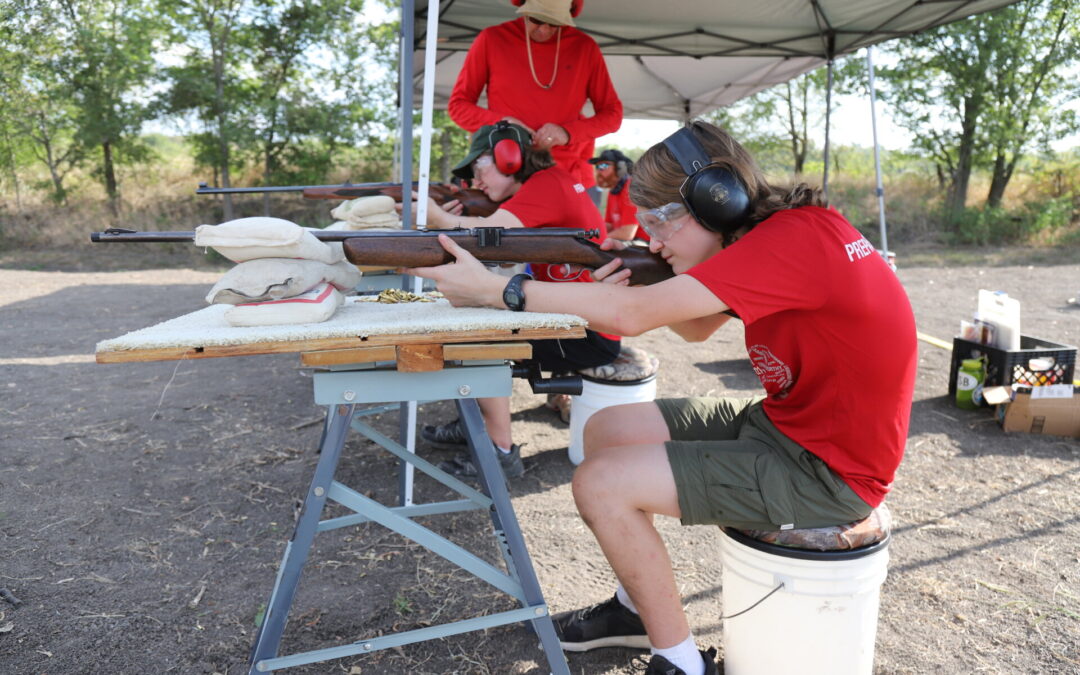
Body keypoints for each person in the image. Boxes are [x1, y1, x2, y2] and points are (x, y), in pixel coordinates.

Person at [404, 121, 918, 675]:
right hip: (786, 425)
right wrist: (641, 273)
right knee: (606, 432)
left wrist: (502, 291)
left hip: (830, 471)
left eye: (661, 222)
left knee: (600, 485)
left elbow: (633, 318)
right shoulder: (786, 234)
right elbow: (696, 330)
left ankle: (680, 663)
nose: (654, 240)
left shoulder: (790, 242)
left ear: (715, 201)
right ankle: (634, 610)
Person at [415, 121, 620, 479]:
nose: (476, 181)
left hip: (587, 331)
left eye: (479, 168)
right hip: (581, 318)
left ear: (509, 157)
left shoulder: (545, 184)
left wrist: (438, 217)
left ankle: (499, 449)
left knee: (478, 335)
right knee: (475, 317)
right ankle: (477, 424)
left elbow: (485, 237)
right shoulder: (550, 180)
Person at [447, 0, 622, 193]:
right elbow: (458, 106)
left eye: (555, 23)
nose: (544, 29)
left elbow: (612, 115)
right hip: (505, 168)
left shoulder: (584, 47)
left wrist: (567, 132)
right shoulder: (492, 38)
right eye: (536, 19)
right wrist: (503, 124)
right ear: (524, 10)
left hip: (563, 173)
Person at [590, 148, 644, 242]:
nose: (599, 171)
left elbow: (627, 234)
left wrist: (597, 239)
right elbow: (609, 225)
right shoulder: (614, 190)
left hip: (645, 244)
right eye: (597, 167)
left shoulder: (631, 188)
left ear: (620, 167)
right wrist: (587, 233)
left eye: (603, 165)